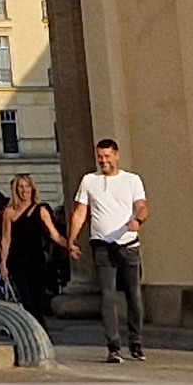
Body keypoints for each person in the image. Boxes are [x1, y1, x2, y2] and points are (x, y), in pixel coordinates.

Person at [66, 137, 149, 362]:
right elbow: (80, 212)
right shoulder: (89, 180)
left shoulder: (132, 180)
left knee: (133, 294)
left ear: (117, 155)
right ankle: (113, 345)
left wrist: (138, 221)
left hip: (128, 244)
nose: (103, 161)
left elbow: (141, 206)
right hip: (102, 245)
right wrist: (72, 240)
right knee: (107, 295)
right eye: (100, 157)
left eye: (107, 156)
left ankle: (136, 341)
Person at [0, 173, 72, 325]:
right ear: (15, 189)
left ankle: (40, 328)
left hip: (36, 259)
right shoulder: (9, 212)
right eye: (20, 187)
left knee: (38, 297)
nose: (24, 190)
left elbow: (54, 234)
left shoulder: (41, 210)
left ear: (32, 189)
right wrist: (3, 263)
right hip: (17, 261)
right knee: (26, 298)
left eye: (27, 186)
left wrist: (69, 246)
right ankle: (33, 328)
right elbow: (6, 239)